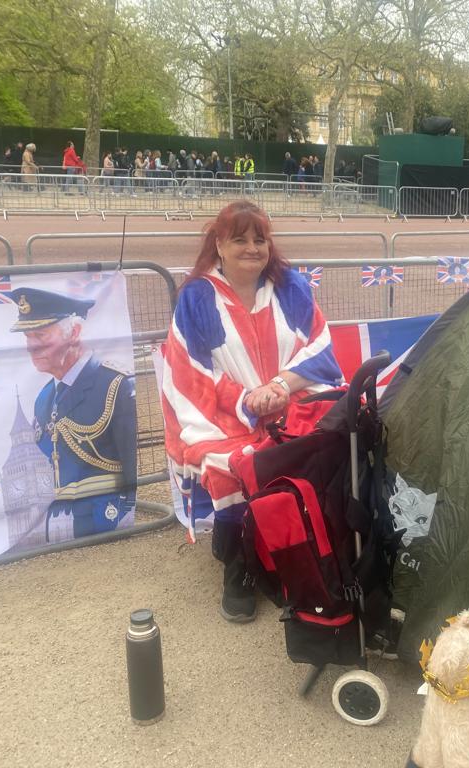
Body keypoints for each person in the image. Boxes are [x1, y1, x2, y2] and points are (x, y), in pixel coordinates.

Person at [160, 201, 343, 622]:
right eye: (239, 239)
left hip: (290, 399)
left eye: (259, 239)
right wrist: (247, 400)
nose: (252, 248)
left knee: (321, 442)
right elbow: (190, 372)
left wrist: (279, 387)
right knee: (234, 463)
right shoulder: (197, 297)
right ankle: (238, 566)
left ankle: (300, 551)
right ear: (219, 245)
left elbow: (319, 346)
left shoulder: (290, 287)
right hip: (223, 412)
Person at [5, 287, 137, 540]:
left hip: (106, 516)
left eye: (41, 335)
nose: (32, 347)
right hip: (58, 523)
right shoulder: (44, 399)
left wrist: (130, 508)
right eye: (28, 337)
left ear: (74, 333)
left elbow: (131, 463)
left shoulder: (115, 385)